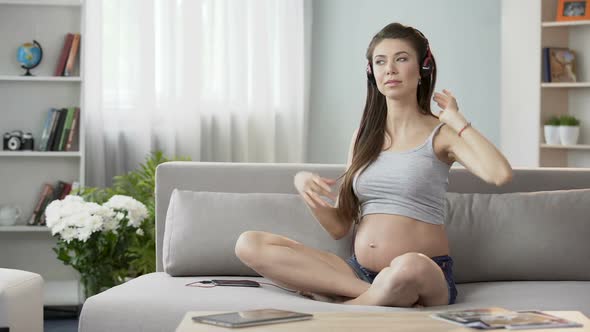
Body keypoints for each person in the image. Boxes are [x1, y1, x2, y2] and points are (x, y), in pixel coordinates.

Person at [234, 22, 513, 307]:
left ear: (422, 69)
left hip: (424, 273)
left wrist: (456, 120)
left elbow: (499, 173)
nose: (390, 68)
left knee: (407, 267)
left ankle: (346, 306)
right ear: (372, 73)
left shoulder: (441, 135)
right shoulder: (363, 137)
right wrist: (306, 189)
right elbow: (339, 227)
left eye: (401, 59)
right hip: (358, 272)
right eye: (380, 62)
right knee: (249, 243)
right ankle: (370, 295)